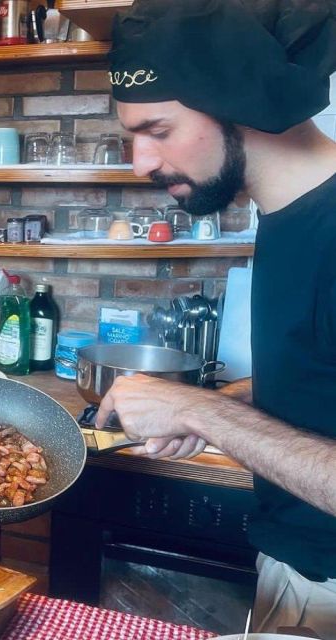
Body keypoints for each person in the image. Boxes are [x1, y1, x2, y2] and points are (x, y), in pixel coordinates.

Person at [96, 0, 336, 635]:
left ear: (238, 103)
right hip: (297, 571)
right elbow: (321, 377)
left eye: (159, 130)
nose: (140, 163)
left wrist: (205, 412)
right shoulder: (287, 216)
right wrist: (226, 403)